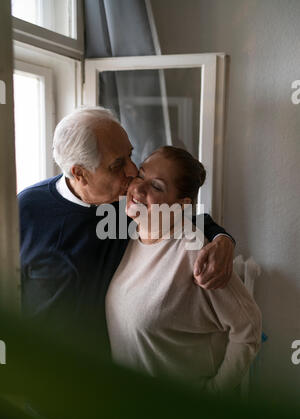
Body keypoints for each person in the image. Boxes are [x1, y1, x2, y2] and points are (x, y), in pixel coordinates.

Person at [18, 107, 235, 359]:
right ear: (80, 174)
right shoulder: (25, 211)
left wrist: (223, 240)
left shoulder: (129, 204)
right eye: (117, 165)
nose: (132, 171)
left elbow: (185, 216)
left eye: (130, 155)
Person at [105, 146, 262, 393]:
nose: (138, 189)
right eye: (141, 175)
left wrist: (214, 394)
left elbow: (249, 326)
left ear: (180, 205)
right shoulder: (129, 231)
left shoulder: (195, 251)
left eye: (156, 187)